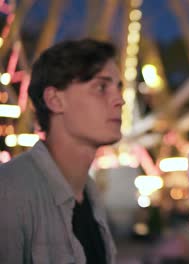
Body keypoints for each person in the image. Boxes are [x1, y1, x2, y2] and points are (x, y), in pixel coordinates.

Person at [0, 39, 124, 264]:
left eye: (119, 87)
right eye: (101, 87)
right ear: (55, 100)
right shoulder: (9, 193)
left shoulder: (90, 196)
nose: (120, 100)